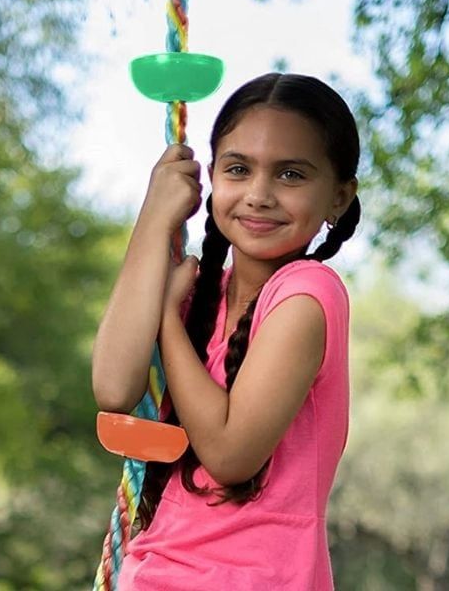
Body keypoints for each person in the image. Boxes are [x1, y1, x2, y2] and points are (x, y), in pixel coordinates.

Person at [92, 72, 361, 589]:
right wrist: (155, 216)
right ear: (213, 177)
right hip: (155, 573)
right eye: (239, 169)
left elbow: (231, 455)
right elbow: (113, 387)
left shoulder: (308, 293)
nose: (259, 195)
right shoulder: (198, 292)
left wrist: (168, 322)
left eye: (291, 175)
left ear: (339, 197)